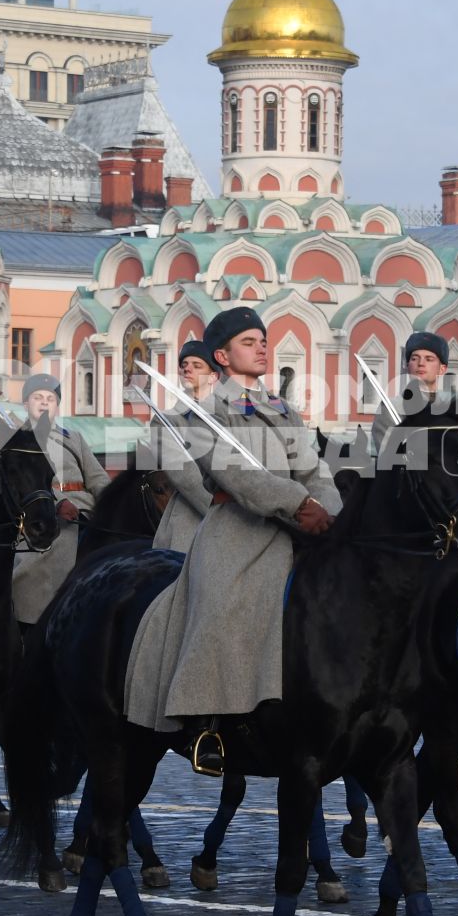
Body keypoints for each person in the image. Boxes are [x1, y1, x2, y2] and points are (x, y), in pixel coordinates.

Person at [123, 307, 341, 775]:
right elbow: (235, 476)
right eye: (248, 341)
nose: (261, 346)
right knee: (222, 606)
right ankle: (203, 723)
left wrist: (330, 511)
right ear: (222, 355)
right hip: (237, 533)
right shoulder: (202, 412)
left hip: (299, 534)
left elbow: (314, 469)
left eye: (263, 339)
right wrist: (299, 505)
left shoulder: (284, 410)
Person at [10, 373, 111, 626]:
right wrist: (57, 502)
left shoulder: (73, 437)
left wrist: (113, 502)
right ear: (25, 404)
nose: (44, 403)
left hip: (86, 512)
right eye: (37, 398)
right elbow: (18, 483)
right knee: (38, 559)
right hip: (42, 514)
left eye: (50, 398)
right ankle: (32, 622)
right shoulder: (15, 440)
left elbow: (97, 477)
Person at [148, 340, 217, 553]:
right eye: (184, 364)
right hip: (191, 519)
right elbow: (184, 476)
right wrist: (222, 514)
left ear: (213, 375)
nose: (187, 368)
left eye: (197, 365)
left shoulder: (231, 416)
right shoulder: (165, 420)